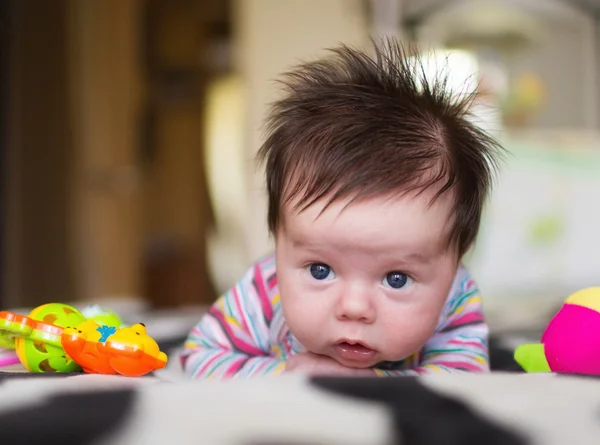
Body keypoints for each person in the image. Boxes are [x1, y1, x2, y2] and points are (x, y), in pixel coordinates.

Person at [181, 38, 503, 379]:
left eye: (397, 279)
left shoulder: (455, 297)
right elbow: (201, 356)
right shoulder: (264, 289)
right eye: (320, 270)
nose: (354, 308)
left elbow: (464, 377)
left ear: (455, 261)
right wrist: (283, 373)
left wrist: (376, 383)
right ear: (279, 241)